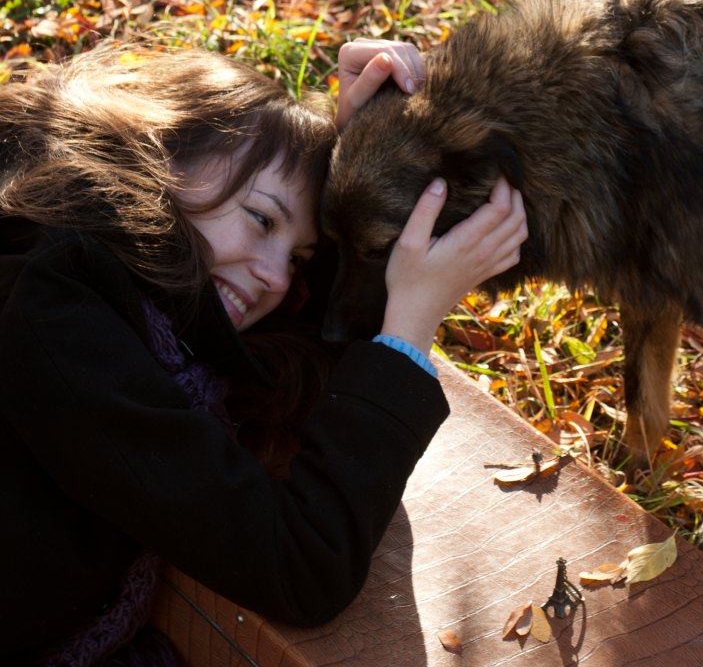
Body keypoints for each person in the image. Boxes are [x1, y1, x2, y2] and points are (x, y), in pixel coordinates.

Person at [0, 38, 528, 666]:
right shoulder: (49, 314)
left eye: (300, 259)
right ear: (160, 147)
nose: (278, 279)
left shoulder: (108, 284)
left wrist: (352, 163)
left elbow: (297, 355)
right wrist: (408, 328)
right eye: (261, 219)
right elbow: (302, 567)